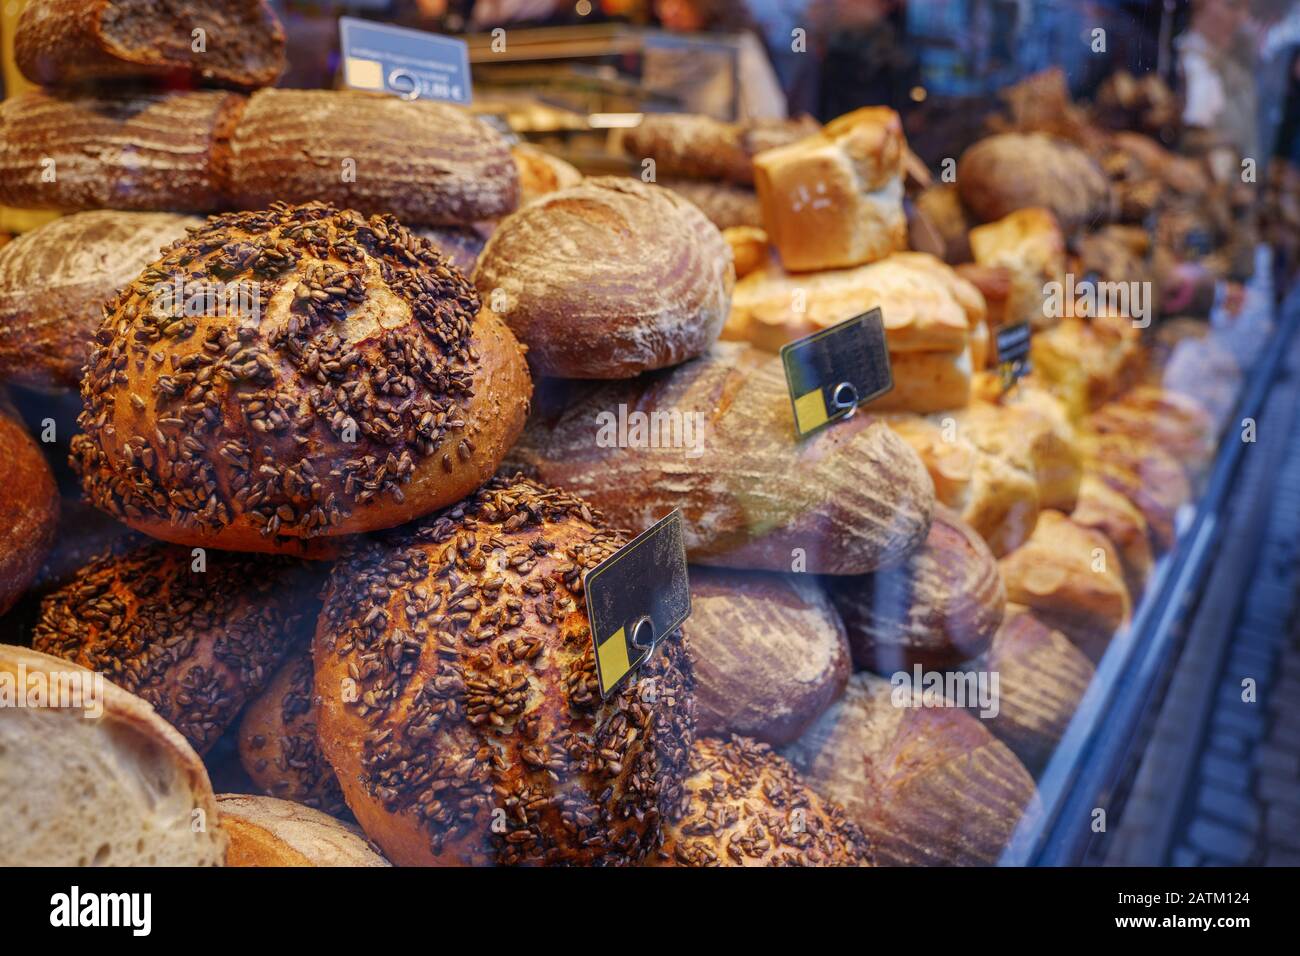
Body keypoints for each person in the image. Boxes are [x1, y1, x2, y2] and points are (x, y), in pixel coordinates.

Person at [644, 0, 787, 118]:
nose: (668, 10)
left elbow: (767, 113)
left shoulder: (737, 48)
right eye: (662, 1)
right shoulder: (658, 44)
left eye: (683, 2)